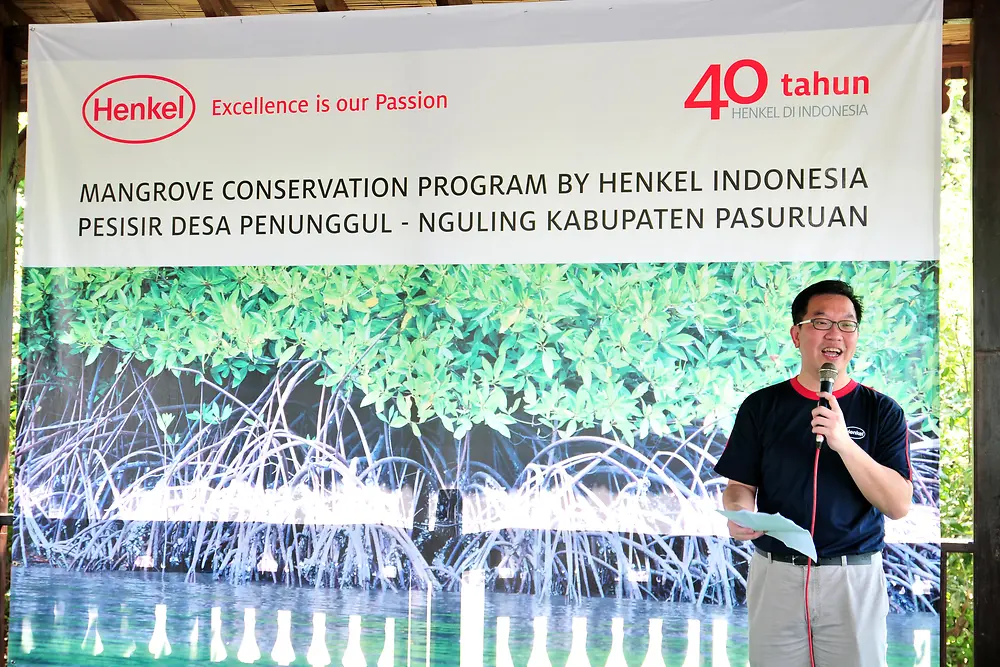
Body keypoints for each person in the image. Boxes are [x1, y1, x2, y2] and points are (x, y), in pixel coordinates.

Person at [714, 279, 913, 667]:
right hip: (776, 575)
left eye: (847, 324)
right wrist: (739, 514)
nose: (835, 334)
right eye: (821, 322)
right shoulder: (762, 406)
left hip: (851, 578)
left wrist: (842, 441)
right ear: (797, 334)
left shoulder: (881, 411)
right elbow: (739, 485)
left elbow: (898, 504)